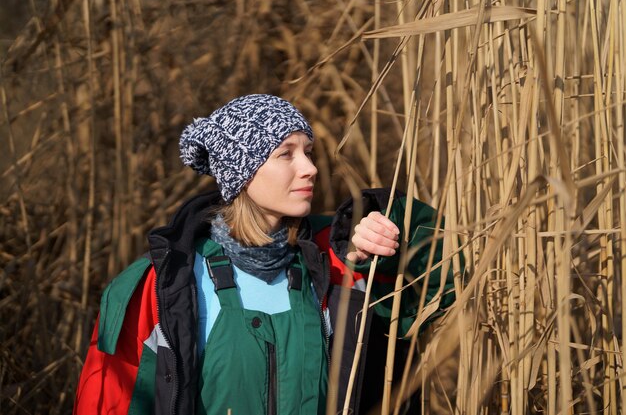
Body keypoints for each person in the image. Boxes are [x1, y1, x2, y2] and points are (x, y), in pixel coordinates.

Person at [73, 94, 455, 415]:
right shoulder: (162, 285)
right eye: (286, 154)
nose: (310, 168)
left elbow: (443, 281)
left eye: (308, 151)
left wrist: (391, 241)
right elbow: (109, 399)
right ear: (243, 172)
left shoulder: (337, 260)